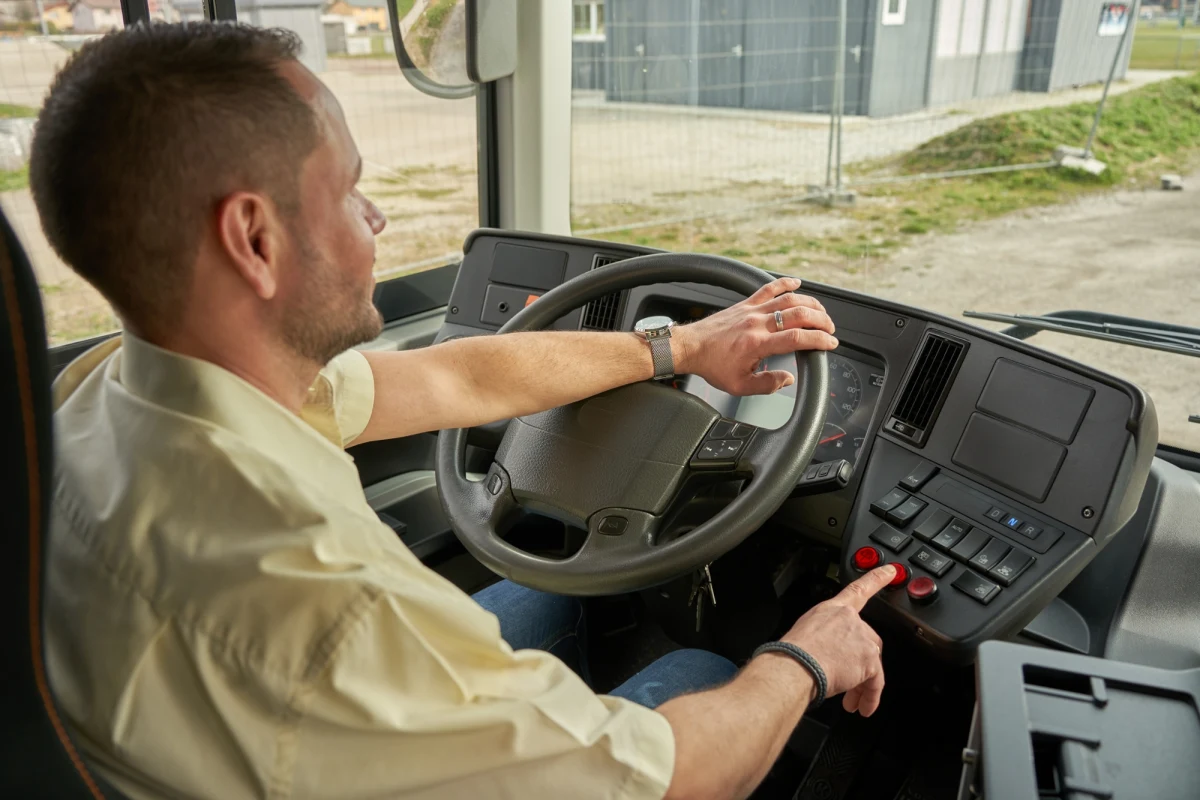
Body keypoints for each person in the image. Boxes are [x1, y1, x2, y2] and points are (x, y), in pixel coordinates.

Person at [31, 23, 895, 800]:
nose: (376, 217)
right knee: (709, 667)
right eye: (349, 193)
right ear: (254, 240)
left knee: (549, 598)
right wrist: (805, 658)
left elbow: (458, 381)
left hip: (223, 734)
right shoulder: (323, 608)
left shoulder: (103, 390)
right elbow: (679, 779)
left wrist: (679, 348)